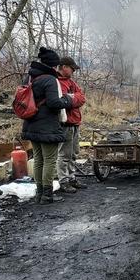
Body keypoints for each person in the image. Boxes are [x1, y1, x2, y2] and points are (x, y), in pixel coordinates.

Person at [21, 47, 73, 204]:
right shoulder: (50, 80)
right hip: (47, 127)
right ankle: (47, 195)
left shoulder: (29, 78)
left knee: (38, 159)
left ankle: (39, 193)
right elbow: (53, 103)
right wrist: (68, 100)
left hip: (31, 124)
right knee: (50, 159)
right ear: (53, 66)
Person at [56, 56, 87, 194]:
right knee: (64, 154)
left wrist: (72, 98)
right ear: (64, 67)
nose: (73, 71)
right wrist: (72, 98)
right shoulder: (56, 82)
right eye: (72, 68)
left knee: (74, 152)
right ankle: (63, 181)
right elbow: (63, 101)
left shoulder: (70, 82)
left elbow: (81, 97)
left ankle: (72, 177)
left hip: (74, 121)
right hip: (65, 123)